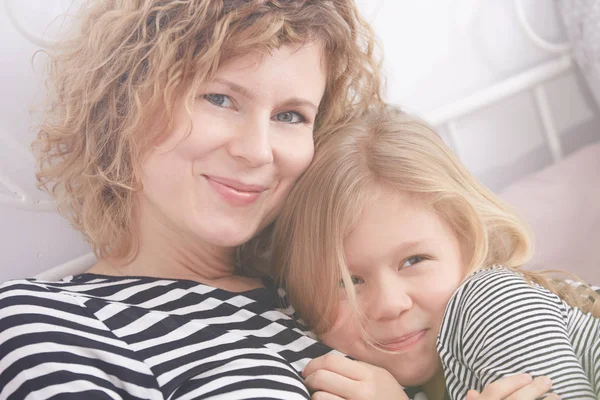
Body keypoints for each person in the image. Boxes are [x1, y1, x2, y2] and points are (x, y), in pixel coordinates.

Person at [0, 1, 384, 398]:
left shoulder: (333, 293)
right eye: (219, 99)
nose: (257, 151)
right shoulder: (47, 321)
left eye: (289, 116)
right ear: (125, 102)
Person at [271, 106, 600, 399]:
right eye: (347, 281)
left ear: (467, 241)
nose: (390, 304)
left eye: (413, 261)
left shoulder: (492, 303)